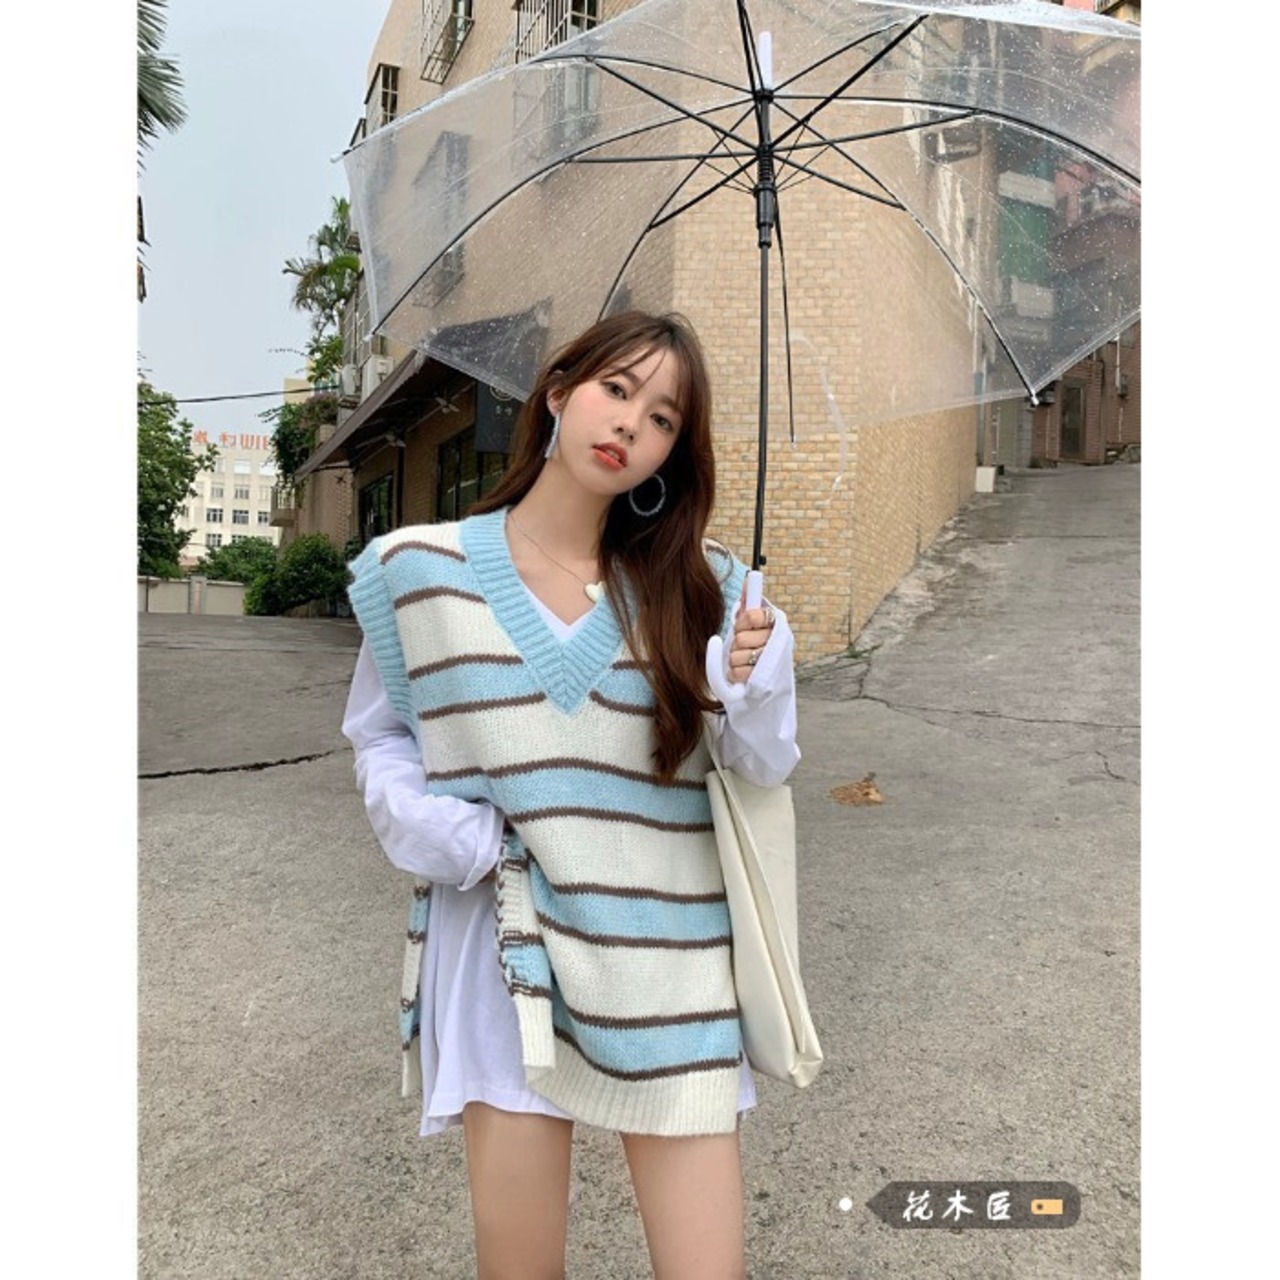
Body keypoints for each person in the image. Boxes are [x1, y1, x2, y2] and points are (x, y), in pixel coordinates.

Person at [342, 310, 800, 1279]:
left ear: (674, 450)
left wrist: (755, 686)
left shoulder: (708, 591)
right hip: (505, 953)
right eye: (616, 389)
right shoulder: (420, 571)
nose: (631, 423)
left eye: (663, 417)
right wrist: (455, 840)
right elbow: (382, 735)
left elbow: (757, 768)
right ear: (558, 392)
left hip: (670, 961)